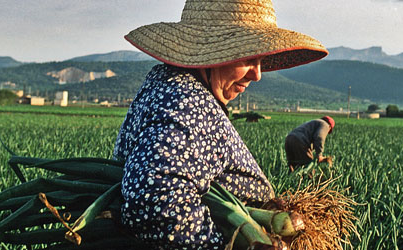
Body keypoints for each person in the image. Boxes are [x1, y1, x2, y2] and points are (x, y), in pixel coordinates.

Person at [113, 0, 328, 249]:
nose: (257, 74)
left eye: (261, 60)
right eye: (248, 57)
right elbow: (156, 205)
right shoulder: (186, 102)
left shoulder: (171, 84)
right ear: (210, 53)